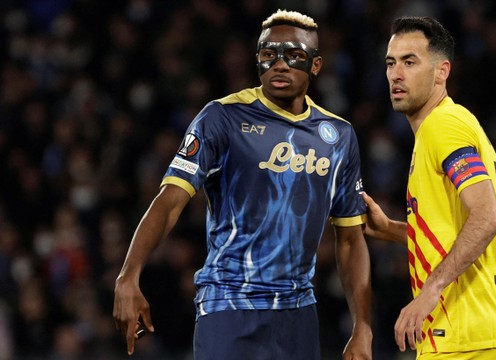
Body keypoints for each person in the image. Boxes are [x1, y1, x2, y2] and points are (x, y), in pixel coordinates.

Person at [113, 9, 373, 360]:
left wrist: (362, 327)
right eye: (269, 54)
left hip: (299, 313)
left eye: (293, 55)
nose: (279, 64)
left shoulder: (338, 136)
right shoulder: (222, 117)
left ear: (315, 65)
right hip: (229, 305)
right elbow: (169, 201)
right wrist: (129, 275)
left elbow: (350, 239)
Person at [361, 16, 496, 359]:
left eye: (409, 62)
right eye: (391, 63)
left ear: (441, 71)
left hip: (463, 335)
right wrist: (391, 229)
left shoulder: (442, 126)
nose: (396, 74)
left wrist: (431, 289)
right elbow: (457, 228)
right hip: (476, 334)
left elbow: (488, 216)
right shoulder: (447, 125)